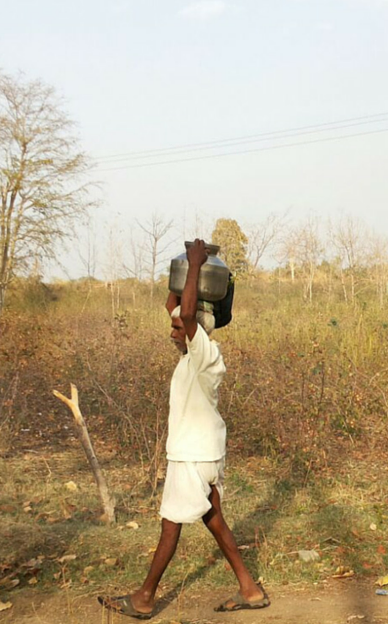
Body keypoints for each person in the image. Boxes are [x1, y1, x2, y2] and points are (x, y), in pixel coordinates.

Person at [101, 239, 269, 619]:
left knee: (170, 526)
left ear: (195, 330)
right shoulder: (195, 353)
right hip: (204, 452)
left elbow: (189, 315)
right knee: (215, 519)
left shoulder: (205, 353)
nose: (173, 330)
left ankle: (144, 597)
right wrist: (181, 275)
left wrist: (195, 265)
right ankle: (250, 588)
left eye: (178, 327)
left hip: (192, 455)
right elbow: (176, 308)